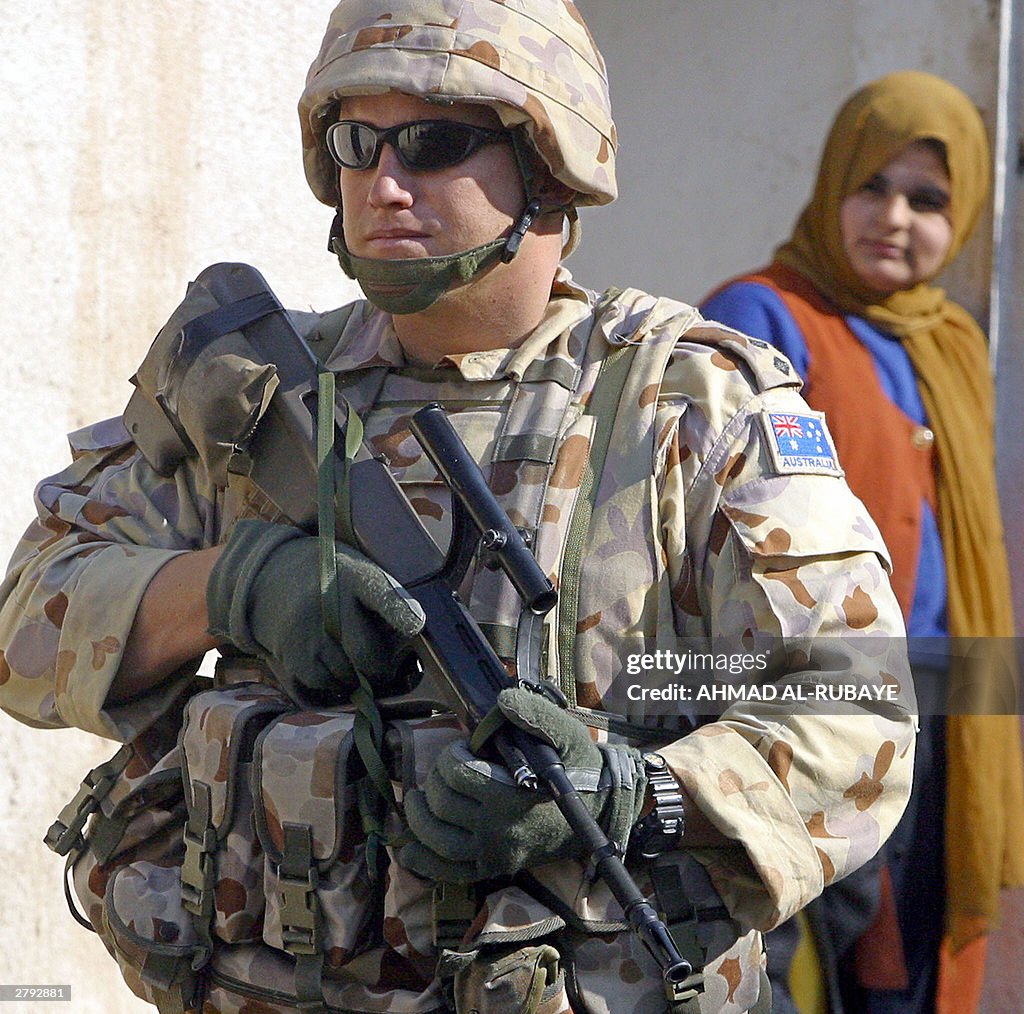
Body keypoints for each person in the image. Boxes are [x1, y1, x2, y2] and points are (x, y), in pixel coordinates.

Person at [0, 4, 914, 1013]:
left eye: (435, 144)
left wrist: (629, 795)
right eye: (356, 143)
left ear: (550, 167)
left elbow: (855, 709)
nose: (384, 184)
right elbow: (24, 625)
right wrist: (230, 588)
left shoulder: (689, 408)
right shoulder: (256, 398)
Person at [701, 70, 1024, 1014]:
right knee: (818, 946)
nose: (894, 216)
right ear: (829, 185)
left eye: (927, 198)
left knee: (921, 938)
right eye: (869, 185)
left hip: (948, 686)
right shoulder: (763, 315)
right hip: (813, 696)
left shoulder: (949, 339)